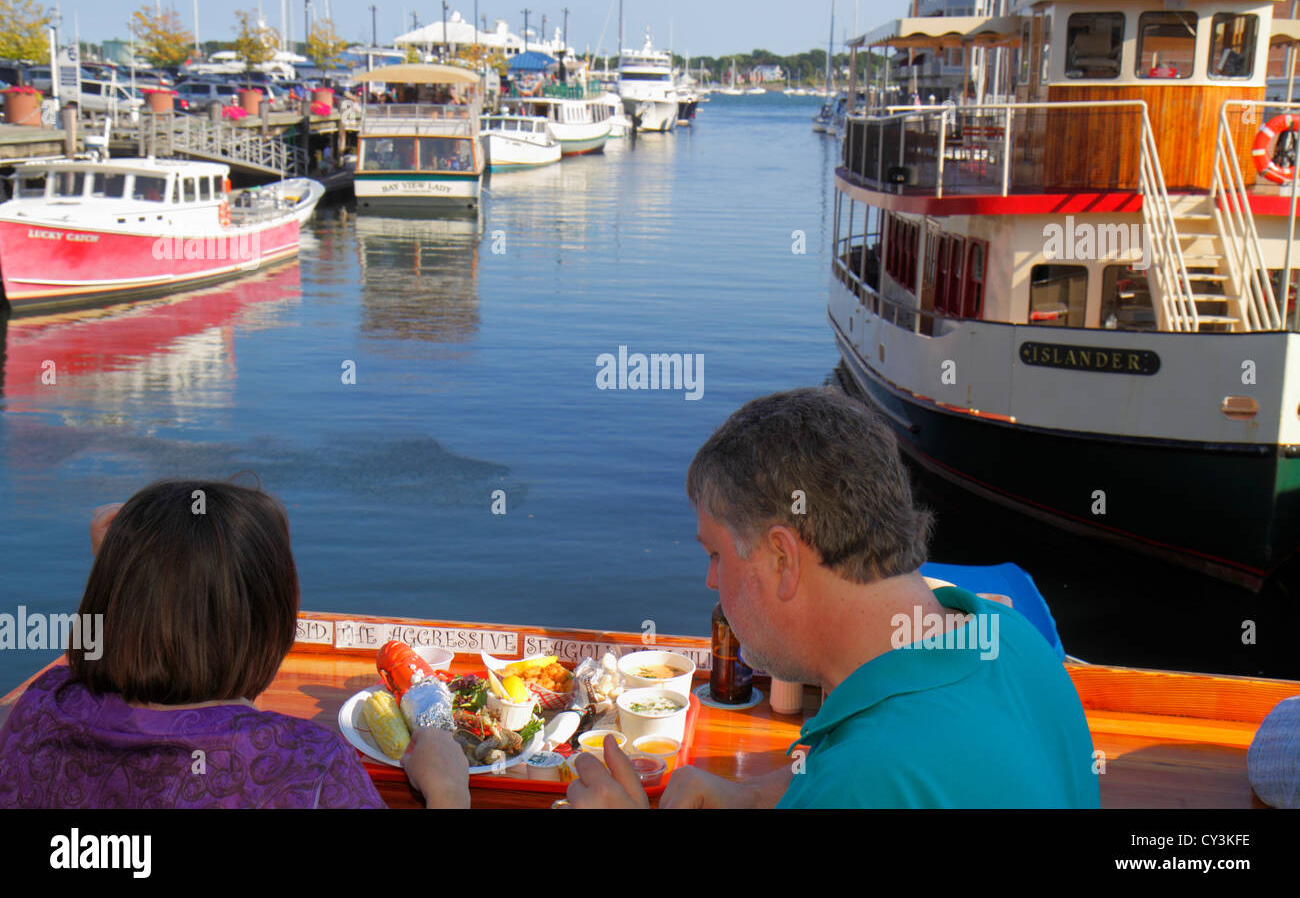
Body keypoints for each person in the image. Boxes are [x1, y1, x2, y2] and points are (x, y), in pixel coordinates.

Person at [556, 387, 1101, 808]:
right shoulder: (1009, 638)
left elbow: (866, 776)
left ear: (782, 559)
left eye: (717, 554)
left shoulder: (867, 778)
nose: (710, 580)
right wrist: (751, 795)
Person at [0, 479, 466, 808]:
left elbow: (92, 679)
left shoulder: (36, 710)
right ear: (273, 626)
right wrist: (447, 792)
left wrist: (123, 578)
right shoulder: (303, 767)